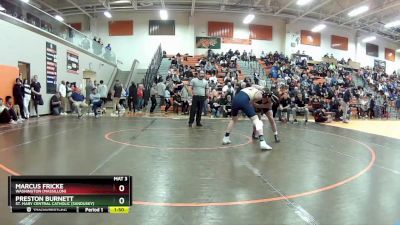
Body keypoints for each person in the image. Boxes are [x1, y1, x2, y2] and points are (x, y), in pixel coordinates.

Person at [222, 85, 273, 150]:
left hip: (235, 99)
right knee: (257, 121)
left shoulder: (252, 88)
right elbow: (252, 103)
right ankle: (262, 142)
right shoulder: (260, 94)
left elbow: (255, 86)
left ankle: (225, 138)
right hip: (244, 100)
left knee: (233, 120)